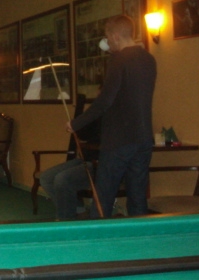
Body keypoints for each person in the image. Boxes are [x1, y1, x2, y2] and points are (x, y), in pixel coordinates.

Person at [67, 14, 157, 218]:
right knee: (138, 197)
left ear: (115, 36)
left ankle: (96, 236)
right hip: (143, 138)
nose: (107, 42)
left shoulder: (118, 61)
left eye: (108, 37)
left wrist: (76, 123)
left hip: (118, 140)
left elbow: (105, 101)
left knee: (103, 197)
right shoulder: (149, 59)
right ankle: (138, 236)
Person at [40, 117, 101, 220]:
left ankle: (65, 219)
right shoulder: (95, 115)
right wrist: (75, 126)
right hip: (84, 160)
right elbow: (85, 134)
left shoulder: (114, 120)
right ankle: (79, 210)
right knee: (46, 178)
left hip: (99, 165)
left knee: (62, 179)